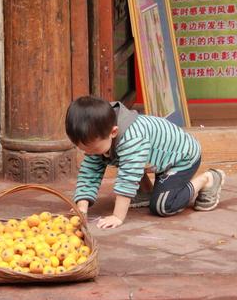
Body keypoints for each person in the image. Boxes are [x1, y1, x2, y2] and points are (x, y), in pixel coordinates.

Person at [65, 95, 225, 229]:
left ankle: (208, 179)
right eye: (83, 149)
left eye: (92, 149)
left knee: (163, 206)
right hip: (154, 158)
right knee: (123, 159)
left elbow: (128, 177)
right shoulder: (99, 132)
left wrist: (117, 217)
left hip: (182, 158)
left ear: (113, 132)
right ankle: (146, 192)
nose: (88, 153)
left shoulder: (132, 138)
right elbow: (89, 173)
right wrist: (82, 210)